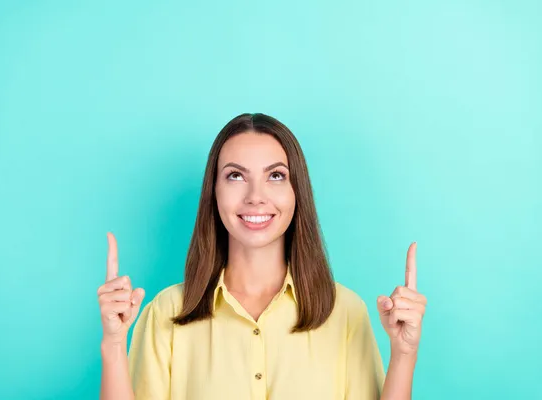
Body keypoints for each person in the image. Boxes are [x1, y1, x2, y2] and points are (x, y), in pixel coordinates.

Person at [97, 113, 428, 400]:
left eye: (276, 176)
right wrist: (113, 344)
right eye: (236, 176)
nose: (255, 197)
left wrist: (404, 354)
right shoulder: (166, 312)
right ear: (213, 192)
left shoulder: (345, 312)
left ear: (297, 192)